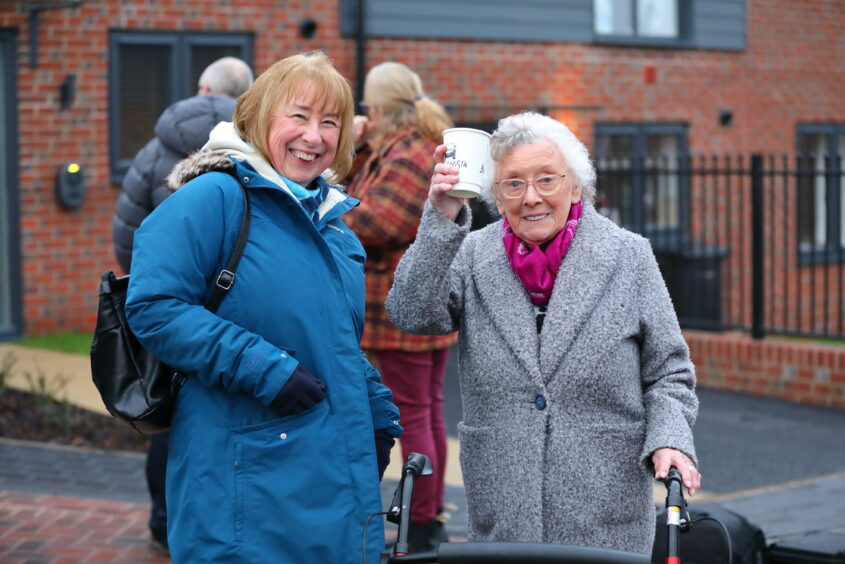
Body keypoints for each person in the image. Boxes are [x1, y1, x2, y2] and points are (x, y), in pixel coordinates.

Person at [124, 50, 401, 563]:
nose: (313, 136)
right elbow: (154, 306)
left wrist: (377, 409)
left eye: (330, 122)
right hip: (242, 484)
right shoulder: (213, 198)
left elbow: (333, 336)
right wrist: (263, 368)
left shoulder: (333, 227)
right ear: (259, 118)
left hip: (329, 478)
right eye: (297, 116)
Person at [386, 111, 701, 555]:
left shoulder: (629, 256)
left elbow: (669, 371)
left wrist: (670, 439)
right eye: (513, 183)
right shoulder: (474, 254)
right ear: (496, 194)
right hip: (504, 510)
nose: (530, 197)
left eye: (546, 180)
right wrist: (442, 216)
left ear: (576, 185)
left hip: (605, 515)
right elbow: (412, 314)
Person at [110, 55, 253, 554]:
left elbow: (127, 226)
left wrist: (154, 279)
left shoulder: (155, 147)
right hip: (234, 299)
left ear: (203, 85)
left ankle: (161, 520)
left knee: (168, 408)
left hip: (169, 303)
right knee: (228, 407)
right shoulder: (252, 147)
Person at [343, 61, 457, 552]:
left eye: (368, 107)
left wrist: (330, 212)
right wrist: (358, 141)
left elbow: (380, 222)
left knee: (412, 413)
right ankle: (427, 515)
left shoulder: (408, 152)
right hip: (412, 302)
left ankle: (423, 522)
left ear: (383, 107)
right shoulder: (402, 145)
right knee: (426, 410)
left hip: (404, 307)